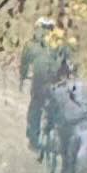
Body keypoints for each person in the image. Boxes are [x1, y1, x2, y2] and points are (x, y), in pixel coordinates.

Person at [20, 17, 72, 151]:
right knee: (57, 105)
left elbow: (24, 64)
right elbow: (69, 63)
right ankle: (56, 133)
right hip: (57, 82)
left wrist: (23, 77)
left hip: (39, 81)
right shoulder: (61, 44)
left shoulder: (31, 44)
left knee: (35, 106)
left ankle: (33, 138)